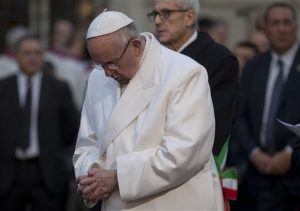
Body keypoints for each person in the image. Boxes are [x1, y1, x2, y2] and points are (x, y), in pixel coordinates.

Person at [73, 10, 224, 211]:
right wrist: (93, 176)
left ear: (135, 47)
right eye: (100, 64)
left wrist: (118, 178)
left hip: (173, 202)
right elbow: (87, 143)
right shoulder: (97, 77)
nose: (107, 73)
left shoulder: (185, 73)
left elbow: (183, 153)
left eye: (111, 63)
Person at [231, 2, 300, 210]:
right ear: (265, 28)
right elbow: (239, 114)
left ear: (295, 27)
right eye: (275, 23)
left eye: (286, 22)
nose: (281, 28)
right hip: (258, 175)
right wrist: (254, 153)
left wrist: (289, 152)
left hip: (296, 171)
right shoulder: (254, 66)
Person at [147, 0, 239, 155]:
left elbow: (214, 126)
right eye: (155, 14)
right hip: (148, 158)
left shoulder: (220, 60)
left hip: (192, 162)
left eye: (165, 13)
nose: (157, 21)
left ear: (189, 17)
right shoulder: (152, 57)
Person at [0, 34, 79, 211]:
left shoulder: (59, 88)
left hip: (48, 175)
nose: (32, 58)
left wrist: (64, 167)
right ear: (17, 56)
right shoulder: (3, 88)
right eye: (27, 53)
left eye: (37, 53)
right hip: (8, 175)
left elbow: (74, 130)